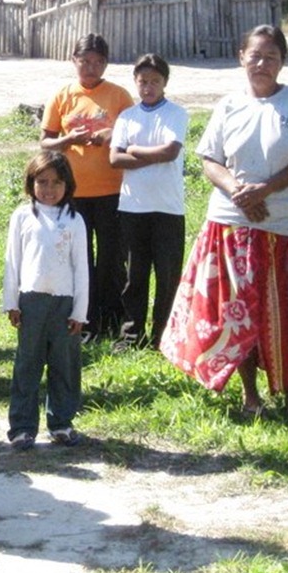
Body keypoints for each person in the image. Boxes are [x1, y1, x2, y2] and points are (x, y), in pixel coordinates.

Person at [161, 25, 288, 426]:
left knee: (282, 313)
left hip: (279, 224)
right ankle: (250, 397)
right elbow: (209, 159)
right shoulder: (229, 105)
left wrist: (264, 190)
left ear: (282, 61)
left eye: (271, 56)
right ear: (240, 57)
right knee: (238, 314)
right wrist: (238, 191)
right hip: (231, 223)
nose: (262, 63)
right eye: (255, 55)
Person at [40, 33, 133, 340]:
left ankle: (112, 319)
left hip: (112, 190)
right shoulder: (62, 95)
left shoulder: (119, 96)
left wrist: (110, 134)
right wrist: (68, 140)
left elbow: (133, 134)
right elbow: (45, 141)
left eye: (98, 62)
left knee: (111, 259)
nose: (91, 68)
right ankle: (83, 320)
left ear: (106, 63)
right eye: (85, 61)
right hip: (74, 193)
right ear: (74, 61)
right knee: (78, 258)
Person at [2, 152, 88, 451]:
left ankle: (61, 422)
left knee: (65, 364)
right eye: (42, 182)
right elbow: (12, 261)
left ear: (68, 185)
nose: (49, 189)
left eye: (56, 182)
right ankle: (22, 427)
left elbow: (82, 268)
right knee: (27, 364)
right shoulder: (22, 216)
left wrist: (80, 310)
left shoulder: (74, 220)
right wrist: (11, 302)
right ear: (30, 183)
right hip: (31, 302)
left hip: (64, 304)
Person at [108, 54, 190, 352]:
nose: (148, 87)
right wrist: (141, 155)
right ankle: (131, 335)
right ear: (136, 82)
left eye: (154, 81)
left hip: (167, 208)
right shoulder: (127, 116)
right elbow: (115, 159)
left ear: (165, 82)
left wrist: (134, 149)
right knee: (135, 276)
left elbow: (170, 152)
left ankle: (163, 335)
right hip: (133, 207)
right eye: (143, 81)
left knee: (167, 275)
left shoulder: (176, 114)